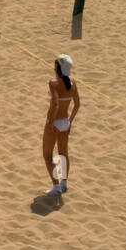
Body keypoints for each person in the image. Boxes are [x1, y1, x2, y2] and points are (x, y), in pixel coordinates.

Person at [42, 55, 81, 195]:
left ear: (58, 68)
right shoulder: (73, 82)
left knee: (47, 155)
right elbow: (77, 104)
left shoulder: (53, 83)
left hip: (54, 123)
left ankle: (56, 186)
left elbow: (56, 104)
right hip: (65, 122)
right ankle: (64, 184)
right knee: (63, 154)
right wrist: (70, 121)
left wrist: (51, 123)